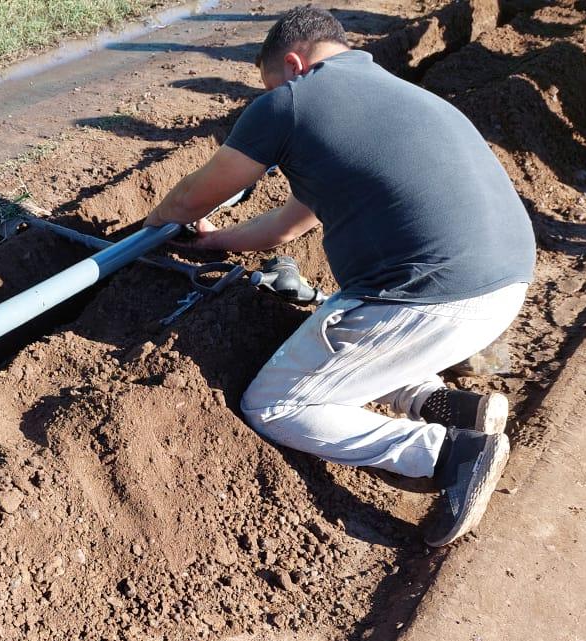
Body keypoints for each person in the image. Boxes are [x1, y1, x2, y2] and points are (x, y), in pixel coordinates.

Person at [145, 6, 535, 546]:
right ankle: (447, 406)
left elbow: (190, 197)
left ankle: (449, 454)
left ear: (291, 63)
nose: (272, 92)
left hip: (429, 299)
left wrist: (158, 224)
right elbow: (285, 228)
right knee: (352, 345)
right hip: (502, 287)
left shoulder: (290, 103)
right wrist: (211, 243)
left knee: (277, 404)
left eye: (271, 82)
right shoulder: (396, 99)